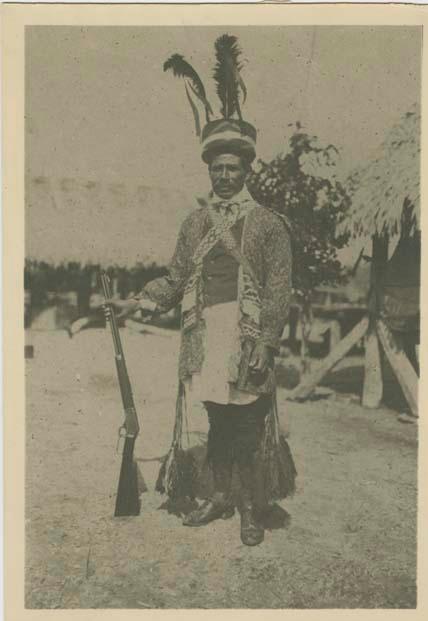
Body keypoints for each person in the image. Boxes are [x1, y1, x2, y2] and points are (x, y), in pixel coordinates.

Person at [106, 36, 294, 546]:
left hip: (247, 334)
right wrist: (136, 300)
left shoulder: (267, 224)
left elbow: (279, 288)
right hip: (206, 336)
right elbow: (174, 276)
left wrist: (266, 341)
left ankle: (251, 510)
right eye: (218, 169)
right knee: (216, 420)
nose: (226, 175)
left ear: (247, 169)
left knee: (250, 425)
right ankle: (218, 498)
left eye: (234, 168)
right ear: (209, 171)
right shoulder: (194, 224)